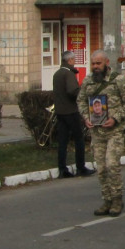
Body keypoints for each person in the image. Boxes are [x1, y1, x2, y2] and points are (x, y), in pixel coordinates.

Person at [78, 49, 125, 217]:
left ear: (106, 63)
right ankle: (107, 199)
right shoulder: (88, 81)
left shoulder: (118, 80)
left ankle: (117, 199)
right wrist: (85, 117)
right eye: (93, 64)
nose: (96, 66)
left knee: (112, 164)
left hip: (114, 131)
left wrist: (116, 118)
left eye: (99, 63)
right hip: (97, 132)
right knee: (102, 168)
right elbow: (81, 100)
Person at [52, 50, 92, 178]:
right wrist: (82, 92)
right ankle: (81, 167)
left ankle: (62, 168)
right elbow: (72, 91)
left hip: (60, 111)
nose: (74, 62)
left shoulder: (57, 73)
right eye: (73, 60)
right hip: (71, 111)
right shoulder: (68, 74)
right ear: (69, 61)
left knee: (62, 141)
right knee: (79, 139)